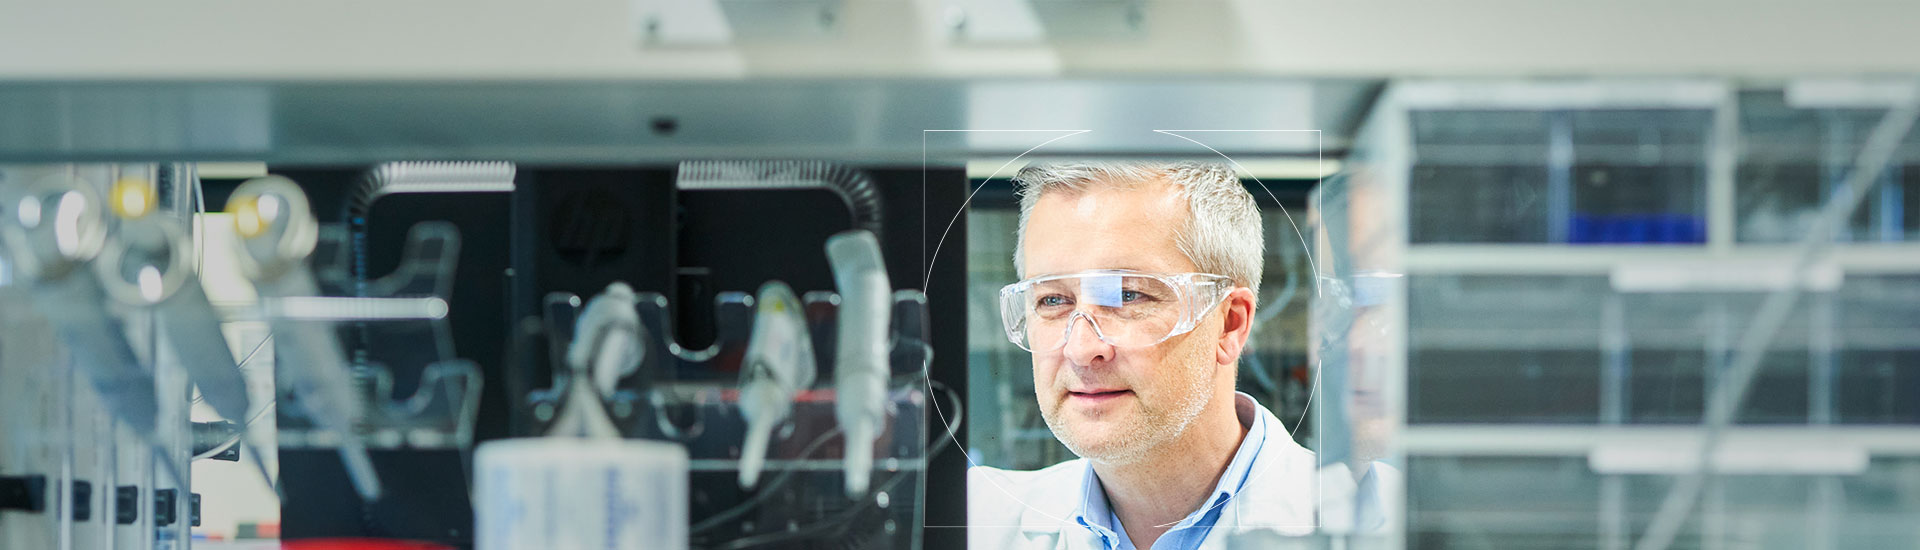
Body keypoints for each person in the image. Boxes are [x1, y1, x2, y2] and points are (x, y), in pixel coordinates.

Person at [968, 161, 1392, 550]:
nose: (1081, 349)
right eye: (1053, 300)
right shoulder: (975, 520)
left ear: (1230, 324)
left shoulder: (1392, 518)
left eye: (1128, 296)